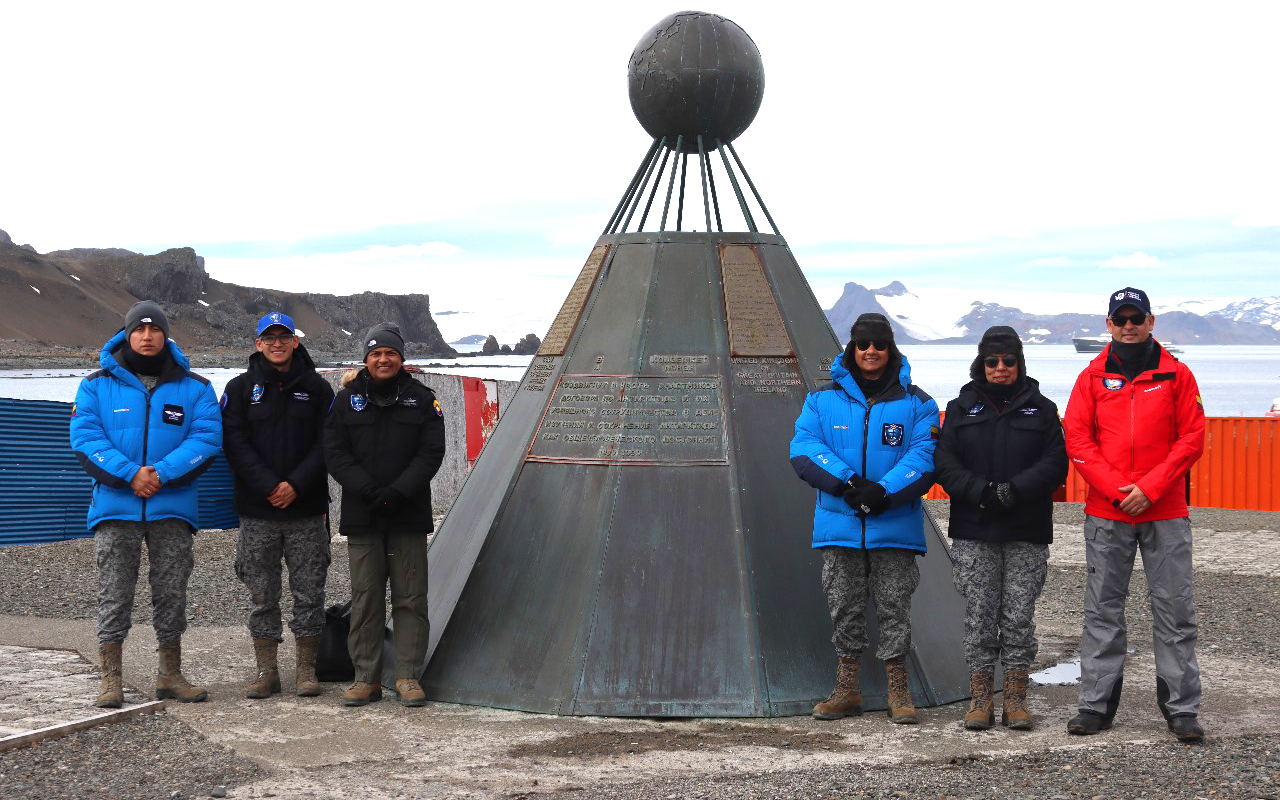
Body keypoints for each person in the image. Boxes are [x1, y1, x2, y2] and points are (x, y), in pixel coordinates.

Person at [1063, 287, 1206, 743]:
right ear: (1109, 324)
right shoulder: (1090, 378)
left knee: (1175, 610)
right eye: (1120, 318)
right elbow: (1078, 440)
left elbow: (1192, 438)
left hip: (1165, 511)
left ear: (1150, 321)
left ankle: (1182, 710)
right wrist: (1116, 490)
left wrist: (1151, 488)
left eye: (1136, 317)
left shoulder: (1178, 376)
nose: (1129, 325)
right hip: (1108, 513)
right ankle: (1095, 705)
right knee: (1102, 610)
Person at [69, 301, 222, 707]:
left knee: (171, 592)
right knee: (114, 593)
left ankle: (170, 673)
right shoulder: (96, 385)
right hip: (115, 510)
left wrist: (161, 473)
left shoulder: (196, 387)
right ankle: (110, 677)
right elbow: (85, 437)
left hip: (172, 510)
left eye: (156, 330)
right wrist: (130, 473)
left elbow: (206, 440)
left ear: (166, 336)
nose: (148, 336)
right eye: (140, 329)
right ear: (128, 334)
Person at [790, 313, 940, 724]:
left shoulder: (918, 403)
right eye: (863, 344)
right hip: (840, 523)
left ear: (890, 349)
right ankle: (847, 689)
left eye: (879, 344)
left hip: (894, 525)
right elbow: (804, 447)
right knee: (844, 607)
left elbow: (924, 457)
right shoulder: (821, 400)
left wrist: (883, 490)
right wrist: (849, 482)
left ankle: (898, 691)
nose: (870, 351)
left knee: (895, 607)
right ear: (851, 349)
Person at [934, 326, 1068, 731]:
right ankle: (980, 699)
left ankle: (1015, 699)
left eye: (1009, 360)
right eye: (992, 361)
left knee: (1018, 617)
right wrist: (982, 492)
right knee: (978, 616)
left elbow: (1055, 464)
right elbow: (944, 463)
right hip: (974, 529)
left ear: (1019, 362)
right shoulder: (960, 408)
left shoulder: (1042, 409)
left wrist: (1014, 491)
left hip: (1025, 529)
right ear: (981, 363)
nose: (1001, 368)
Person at [324, 323, 445, 708]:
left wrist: (397, 492)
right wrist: (370, 491)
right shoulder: (345, 402)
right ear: (365, 360)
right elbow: (335, 452)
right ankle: (366, 678)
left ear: (401, 358)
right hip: (363, 514)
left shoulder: (423, 400)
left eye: (390, 353)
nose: (383, 359)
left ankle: (408, 676)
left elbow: (431, 452)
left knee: (411, 598)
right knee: (366, 598)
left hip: (408, 514)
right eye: (376, 353)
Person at [220, 312, 335, 699]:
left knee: (309, 591)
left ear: (295, 341)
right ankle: (266, 671)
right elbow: (234, 444)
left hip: (306, 510)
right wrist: (270, 486)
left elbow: (327, 445)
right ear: (258, 344)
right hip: (257, 511)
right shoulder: (238, 389)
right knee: (260, 593)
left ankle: (305, 670)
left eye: (283, 336)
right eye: (269, 337)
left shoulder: (319, 390)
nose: (277, 343)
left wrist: (295, 485)